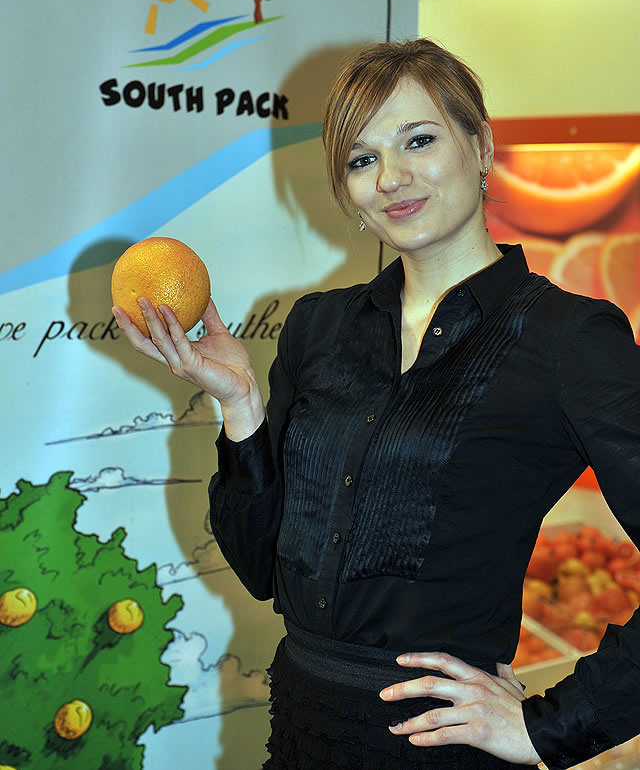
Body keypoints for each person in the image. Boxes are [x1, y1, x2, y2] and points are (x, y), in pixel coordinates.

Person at [113, 39, 640, 770]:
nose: (391, 177)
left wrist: (547, 728)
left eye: (418, 140)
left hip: (438, 749)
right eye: (362, 159)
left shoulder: (567, 338)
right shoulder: (317, 327)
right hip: (301, 735)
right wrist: (241, 405)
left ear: (482, 147)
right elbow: (263, 568)